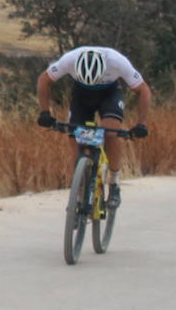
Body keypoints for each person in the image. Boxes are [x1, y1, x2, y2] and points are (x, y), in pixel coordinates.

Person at [36, 45, 151, 206]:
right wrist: (44, 112)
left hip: (109, 95)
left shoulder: (117, 61)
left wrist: (142, 123)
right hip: (81, 96)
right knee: (75, 135)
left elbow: (143, 90)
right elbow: (44, 80)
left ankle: (114, 182)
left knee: (110, 133)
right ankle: (80, 184)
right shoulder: (70, 59)